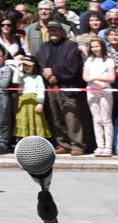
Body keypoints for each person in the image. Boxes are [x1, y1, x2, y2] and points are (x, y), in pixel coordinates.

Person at [36, 19, 90, 155]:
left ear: (62, 31)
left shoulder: (71, 46)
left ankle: (78, 144)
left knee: (71, 117)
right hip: (50, 86)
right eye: (50, 30)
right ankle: (62, 144)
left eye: (56, 30)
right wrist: (48, 76)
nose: (53, 32)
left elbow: (72, 65)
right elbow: (40, 64)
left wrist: (54, 71)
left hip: (67, 86)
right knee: (55, 117)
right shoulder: (43, 47)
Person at [84, 37, 115, 156]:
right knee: (96, 119)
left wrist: (95, 78)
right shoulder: (89, 60)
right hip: (92, 91)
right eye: (92, 47)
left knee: (106, 119)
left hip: (105, 92)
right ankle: (100, 145)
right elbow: (85, 77)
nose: (95, 49)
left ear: (102, 46)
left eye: (97, 46)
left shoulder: (108, 60)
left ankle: (108, 146)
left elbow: (111, 78)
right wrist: (97, 82)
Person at [12, 55, 51, 142]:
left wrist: (40, 103)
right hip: (23, 101)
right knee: (23, 121)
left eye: (29, 65)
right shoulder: (22, 76)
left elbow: (41, 90)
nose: (27, 67)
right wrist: (18, 68)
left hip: (34, 101)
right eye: (25, 65)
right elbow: (15, 80)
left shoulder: (38, 77)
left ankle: (37, 140)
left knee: (36, 120)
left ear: (34, 66)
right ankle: (23, 141)